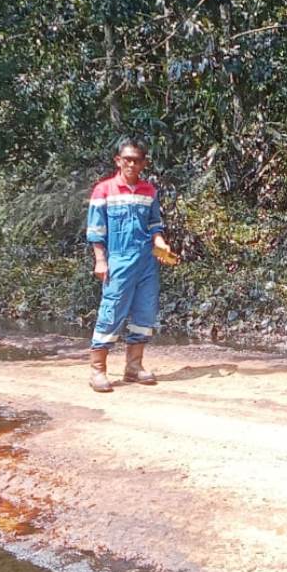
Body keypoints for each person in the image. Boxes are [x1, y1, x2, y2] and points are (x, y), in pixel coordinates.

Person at [85, 138, 174, 392]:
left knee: (145, 313)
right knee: (111, 311)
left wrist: (161, 243)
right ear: (118, 161)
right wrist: (100, 260)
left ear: (143, 163)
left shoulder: (149, 191)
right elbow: (96, 230)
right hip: (119, 260)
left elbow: (155, 225)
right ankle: (98, 371)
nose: (132, 164)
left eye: (137, 160)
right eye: (127, 159)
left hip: (146, 261)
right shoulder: (103, 190)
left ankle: (133, 367)